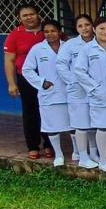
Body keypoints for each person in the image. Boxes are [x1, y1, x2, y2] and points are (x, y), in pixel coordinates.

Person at [73, 18, 106, 173]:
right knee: (102, 127)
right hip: (98, 94)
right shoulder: (88, 49)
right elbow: (79, 71)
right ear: (94, 29)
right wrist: (94, 88)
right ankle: (103, 159)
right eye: (102, 28)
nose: (105, 32)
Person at [4, 4, 51, 159]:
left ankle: (49, 144)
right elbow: (9, 60)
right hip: (26, 79)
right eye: (25, 15)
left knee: (48, 110)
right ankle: (33, 146)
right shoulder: (14, 35)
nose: (29, 17)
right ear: (20, 18)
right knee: (31, 112)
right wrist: (12, 83)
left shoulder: (48, 31)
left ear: (38, 15)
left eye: (32, 14)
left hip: (49, 79)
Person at [22, 20, 69, 167]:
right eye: (46, 31)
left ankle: (78, 153)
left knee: (74, 125)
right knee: (51, 126)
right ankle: (59, 154)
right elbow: (26, 69)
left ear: (59, 31)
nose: (50, 34)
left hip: (69, 92)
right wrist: (41, 82)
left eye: (53, 31)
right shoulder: (37, 49)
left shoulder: (68, 46)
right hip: (49, 93)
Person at [56, 14, 99, 168]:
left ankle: (94, 152)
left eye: (87, 25)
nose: (84, 28)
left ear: (92, 26)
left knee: (94, 124)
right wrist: (72, 80)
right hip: (78, 90)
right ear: (76, 28)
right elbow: (61, 64)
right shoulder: (70, 45)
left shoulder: (99, 42)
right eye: (80, 26)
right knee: (80, 124)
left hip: (96, 89)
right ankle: (83, 156)